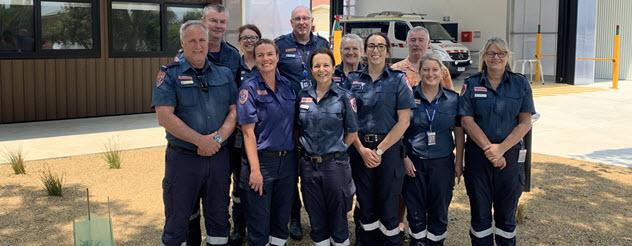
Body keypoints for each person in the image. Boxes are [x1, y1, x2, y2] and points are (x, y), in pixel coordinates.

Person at [152, 20, 237, 246]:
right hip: (184, 160)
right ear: (182, 43)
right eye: (192, 41)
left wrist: (217, 139)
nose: (198, 45)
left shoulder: (224, 74)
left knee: (219, 219)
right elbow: (164, 116)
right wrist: (200, 141)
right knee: (177, 219)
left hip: (218, 158)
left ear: (208, 43)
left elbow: (234, 111)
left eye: (202, 40)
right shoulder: (169, 75)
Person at [458, 37, 535, 246]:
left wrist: (500, 149)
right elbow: (466, 120)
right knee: (480, 214)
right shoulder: (471, 84)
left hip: (509, 156)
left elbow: (525, 122)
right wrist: (490, 149)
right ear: (483, 57)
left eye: (501, 53)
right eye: (491, 53)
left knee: (506, 216)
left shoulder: (520, 83)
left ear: (507, 57)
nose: (496, 57)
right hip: (479, 157)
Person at [180, 5, 242, 245]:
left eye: (222, 22)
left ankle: (227, 232)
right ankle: (192, 237)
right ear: (204, 21)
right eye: (213, 21)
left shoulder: (232, 56)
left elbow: (234, 99)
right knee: (190, 197)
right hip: (191, 143)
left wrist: (220, 136)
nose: (218, 26)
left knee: (220, 193)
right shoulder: (183, 55)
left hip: (223, 139)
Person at [347, 32, 415, 245]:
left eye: (380, 46)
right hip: (360, 150)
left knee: (388, 206)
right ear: (365, 50)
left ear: (387, 51)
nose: (375, 50)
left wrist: (378, 151)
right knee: (365, 206)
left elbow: (404, 121)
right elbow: (348, 120)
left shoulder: (398, 80)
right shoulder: (352, 80)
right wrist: (361, 149)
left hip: (388, 150)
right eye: (371, 46)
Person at [275, 5, 330, 239]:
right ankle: (294, 217)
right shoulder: (280, 44)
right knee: (290, 170)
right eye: (297, 19)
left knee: (314, 167)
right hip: (289, 117)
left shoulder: (322, 45)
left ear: (311, 22)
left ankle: (321, 217)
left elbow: (329, 74)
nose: (301, 22)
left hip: (316, 115)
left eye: (305, 18)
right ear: (291, 22)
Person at [237, 39, 297, 246]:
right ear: (255, 58)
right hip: (261, 163)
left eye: (270, 54)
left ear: (278, 57)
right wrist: (255, 170)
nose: (266, 59)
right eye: (260, 55)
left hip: (287, 163)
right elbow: (247, 133)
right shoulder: (249, 88)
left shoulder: (288, 86)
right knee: (259, 223)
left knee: (281, 221)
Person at [297, 48, 358, 246]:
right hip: (308, 166)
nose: (321, 69)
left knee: (338, 219)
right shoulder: (302, 95)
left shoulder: (344, 97)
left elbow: (352, 133)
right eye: (317, 66)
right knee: (316, 218)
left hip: (335, 166)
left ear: (333, 68)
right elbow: (297, 129)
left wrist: (336, 150)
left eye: (326, 65)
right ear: (311, 69)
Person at [402, 55, 464, 245]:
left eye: (434, 70)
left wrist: (458, 162)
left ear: (442, 72)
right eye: (426, 70)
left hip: (442, 163)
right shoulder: (408, 97)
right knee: (415, 211)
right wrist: (404, 157)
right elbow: (400, 130)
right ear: (419, 72)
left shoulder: (452, 99)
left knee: (439, 211)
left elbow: (459, 133)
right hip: (414, 164)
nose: (430, 74)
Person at [224, 24, 262, 245]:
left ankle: (255, 225)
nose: (250, 41)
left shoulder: (265, 65)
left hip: (259, 134)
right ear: (239, 41)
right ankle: (238, 227)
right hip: (235, 134)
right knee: (237, 182)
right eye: (245, 37)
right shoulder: (233, 67)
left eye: (254, 37)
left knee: (252, 181)